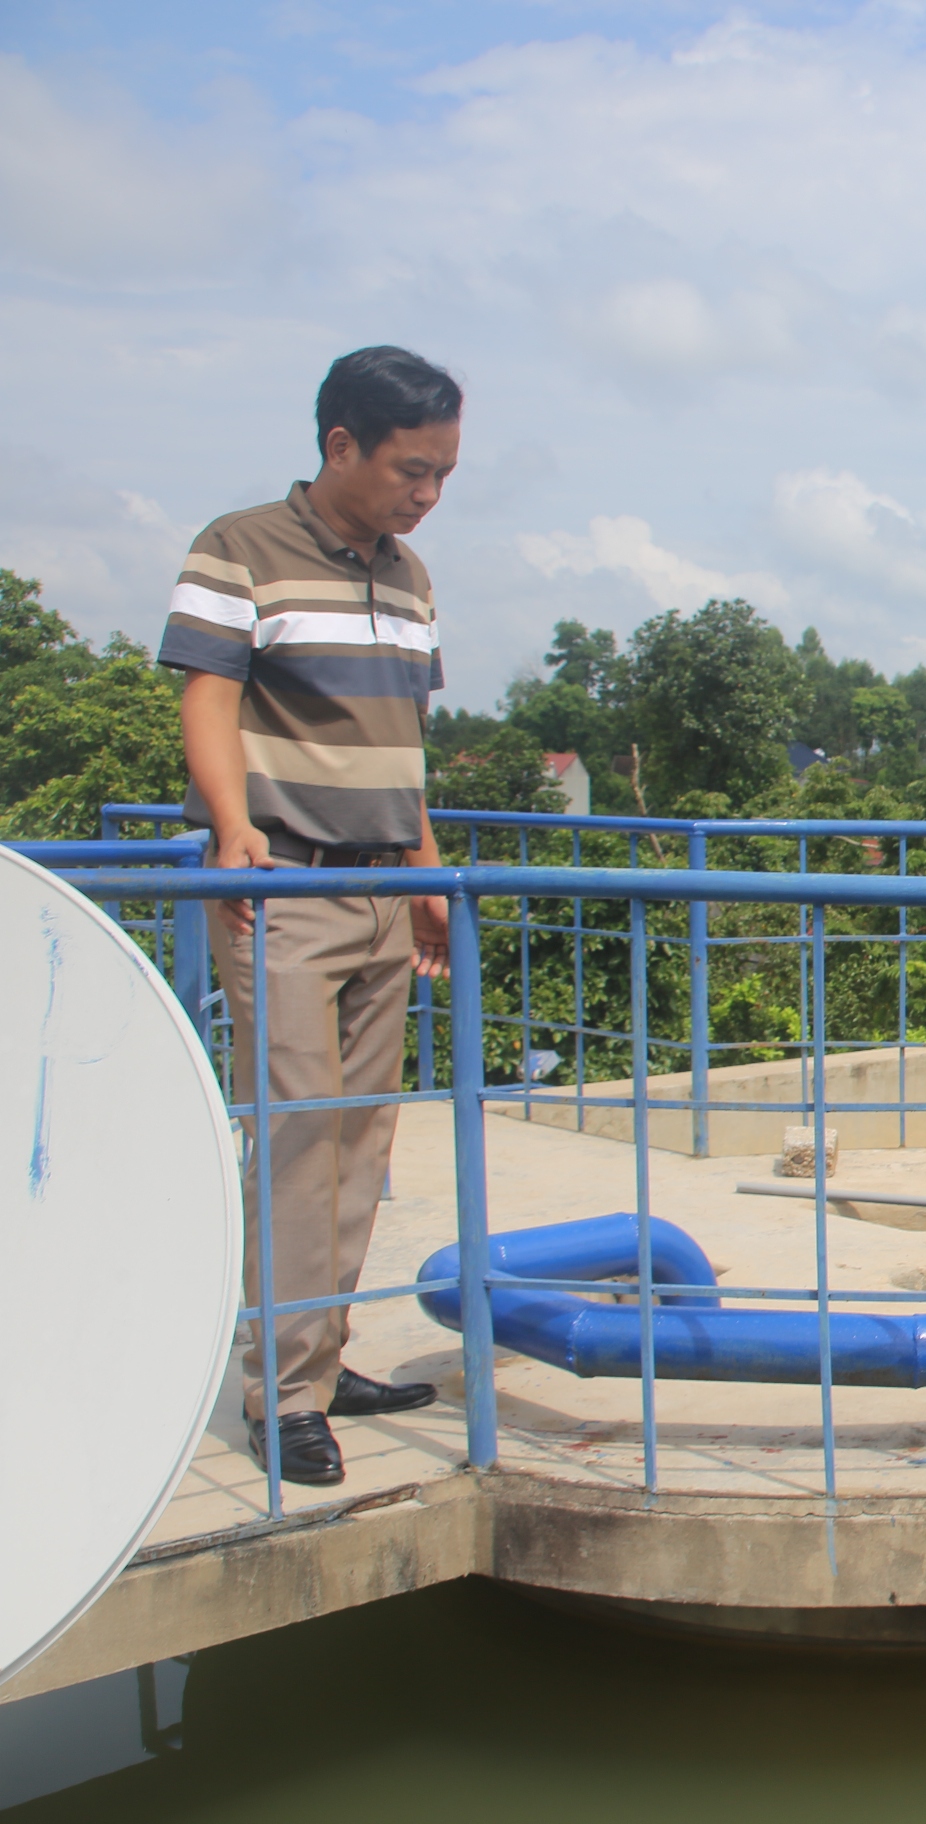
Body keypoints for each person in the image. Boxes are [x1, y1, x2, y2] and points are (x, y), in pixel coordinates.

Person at [160, 346, 464, 1486]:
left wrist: (426, 869)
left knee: (358, 1142)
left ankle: (323, 1362)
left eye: (441, 473)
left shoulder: (413, 573)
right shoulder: (238, 548)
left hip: (387, 881)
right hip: (283, 880)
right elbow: (209, 695)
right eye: (409, 469)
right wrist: (234, 835)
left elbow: (402, 746)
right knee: (295, 1137)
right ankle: (281, 1393)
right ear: (342, 444)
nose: (425, 493)